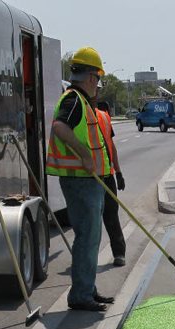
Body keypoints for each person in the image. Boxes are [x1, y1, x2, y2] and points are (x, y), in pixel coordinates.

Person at [46, 46, 113, 311]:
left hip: (85, 180)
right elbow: (60, 127)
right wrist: (85, 155)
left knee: (91, 237)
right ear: (91, 77)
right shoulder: (74, 100)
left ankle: (88, 289)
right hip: (81, 180)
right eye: (98, 79)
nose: (98, 85)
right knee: (87, 236)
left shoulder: (79, 100)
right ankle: (81, 295)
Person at [95, 100, 126, 266]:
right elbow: (112, 147)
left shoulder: (103, 118)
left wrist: (118, 173)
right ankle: (119, 253)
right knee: (110, 216)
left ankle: (119, 253)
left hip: (104, 174)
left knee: (107, 216)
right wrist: (119, 173)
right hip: (95, 177)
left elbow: (110, 146)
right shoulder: (103, 117)